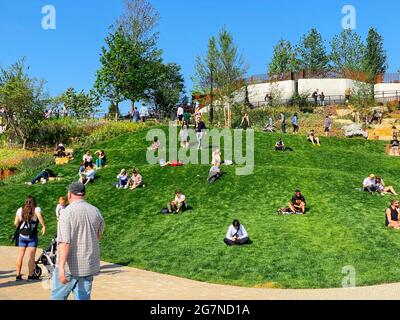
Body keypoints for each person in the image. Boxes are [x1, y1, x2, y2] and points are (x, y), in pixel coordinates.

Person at [51, 182, 105, 300]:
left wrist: (61, 267)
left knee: (58, 297)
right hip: (88, 265)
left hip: (69, 267)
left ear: (70, 194)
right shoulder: (95, 211)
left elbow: (64, 242)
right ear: (84, 194)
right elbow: (99, 235)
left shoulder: (66, 213)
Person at [14, 196, 46, 281]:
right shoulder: (36, 209)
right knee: (32, 256)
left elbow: (15, 223)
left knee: (20, 255)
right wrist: (43, 226)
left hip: (22, 235)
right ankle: (30, 275)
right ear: (34, 202)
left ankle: (18, 275)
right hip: (32, 236)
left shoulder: (20, 210)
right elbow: (39, 216)